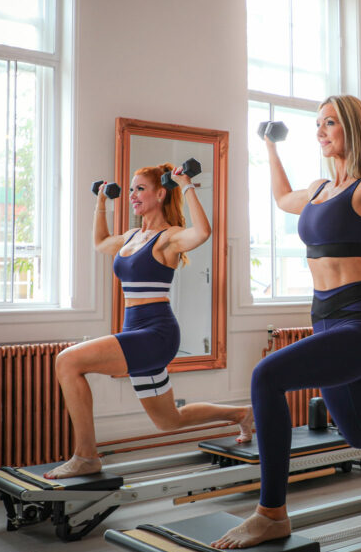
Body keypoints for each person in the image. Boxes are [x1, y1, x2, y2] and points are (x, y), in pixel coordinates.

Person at [212, 80, 361, 549]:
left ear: (355, 129)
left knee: (266, 377)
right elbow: (283, 199)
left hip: (360, 325)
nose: (321, 131)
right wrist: (268, 147)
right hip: (324, 319)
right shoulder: (319, 188)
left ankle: (271, 513)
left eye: (330, 123)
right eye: (317, 124)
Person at [44, 163, 253, 479]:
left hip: (155, 334)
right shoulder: (130, 236)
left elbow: (203, 232)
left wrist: (186, 185)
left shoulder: (168, 238)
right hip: (137, 333)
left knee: (67, 362)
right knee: (169, 420)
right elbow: (100, 242)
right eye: (131, 189)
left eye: (140, 189)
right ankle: (242, 414)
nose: (132, 195)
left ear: (160, 193)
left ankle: (86, 456)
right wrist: (101, 202)